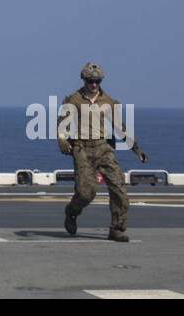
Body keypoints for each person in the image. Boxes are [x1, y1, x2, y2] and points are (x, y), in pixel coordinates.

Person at [58, 62, 148, 242]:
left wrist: (136, 149)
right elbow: (62, 124)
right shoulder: (73, 100)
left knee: (119, 189)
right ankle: (72, 211)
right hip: (82, 149)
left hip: (104, 148)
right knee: (86, 193)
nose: (94, 84)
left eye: (97, 81)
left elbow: (120, 128)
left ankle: (117, 229)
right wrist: (61, 139)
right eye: (91, 81)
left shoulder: (108, 102)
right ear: (84, 79)